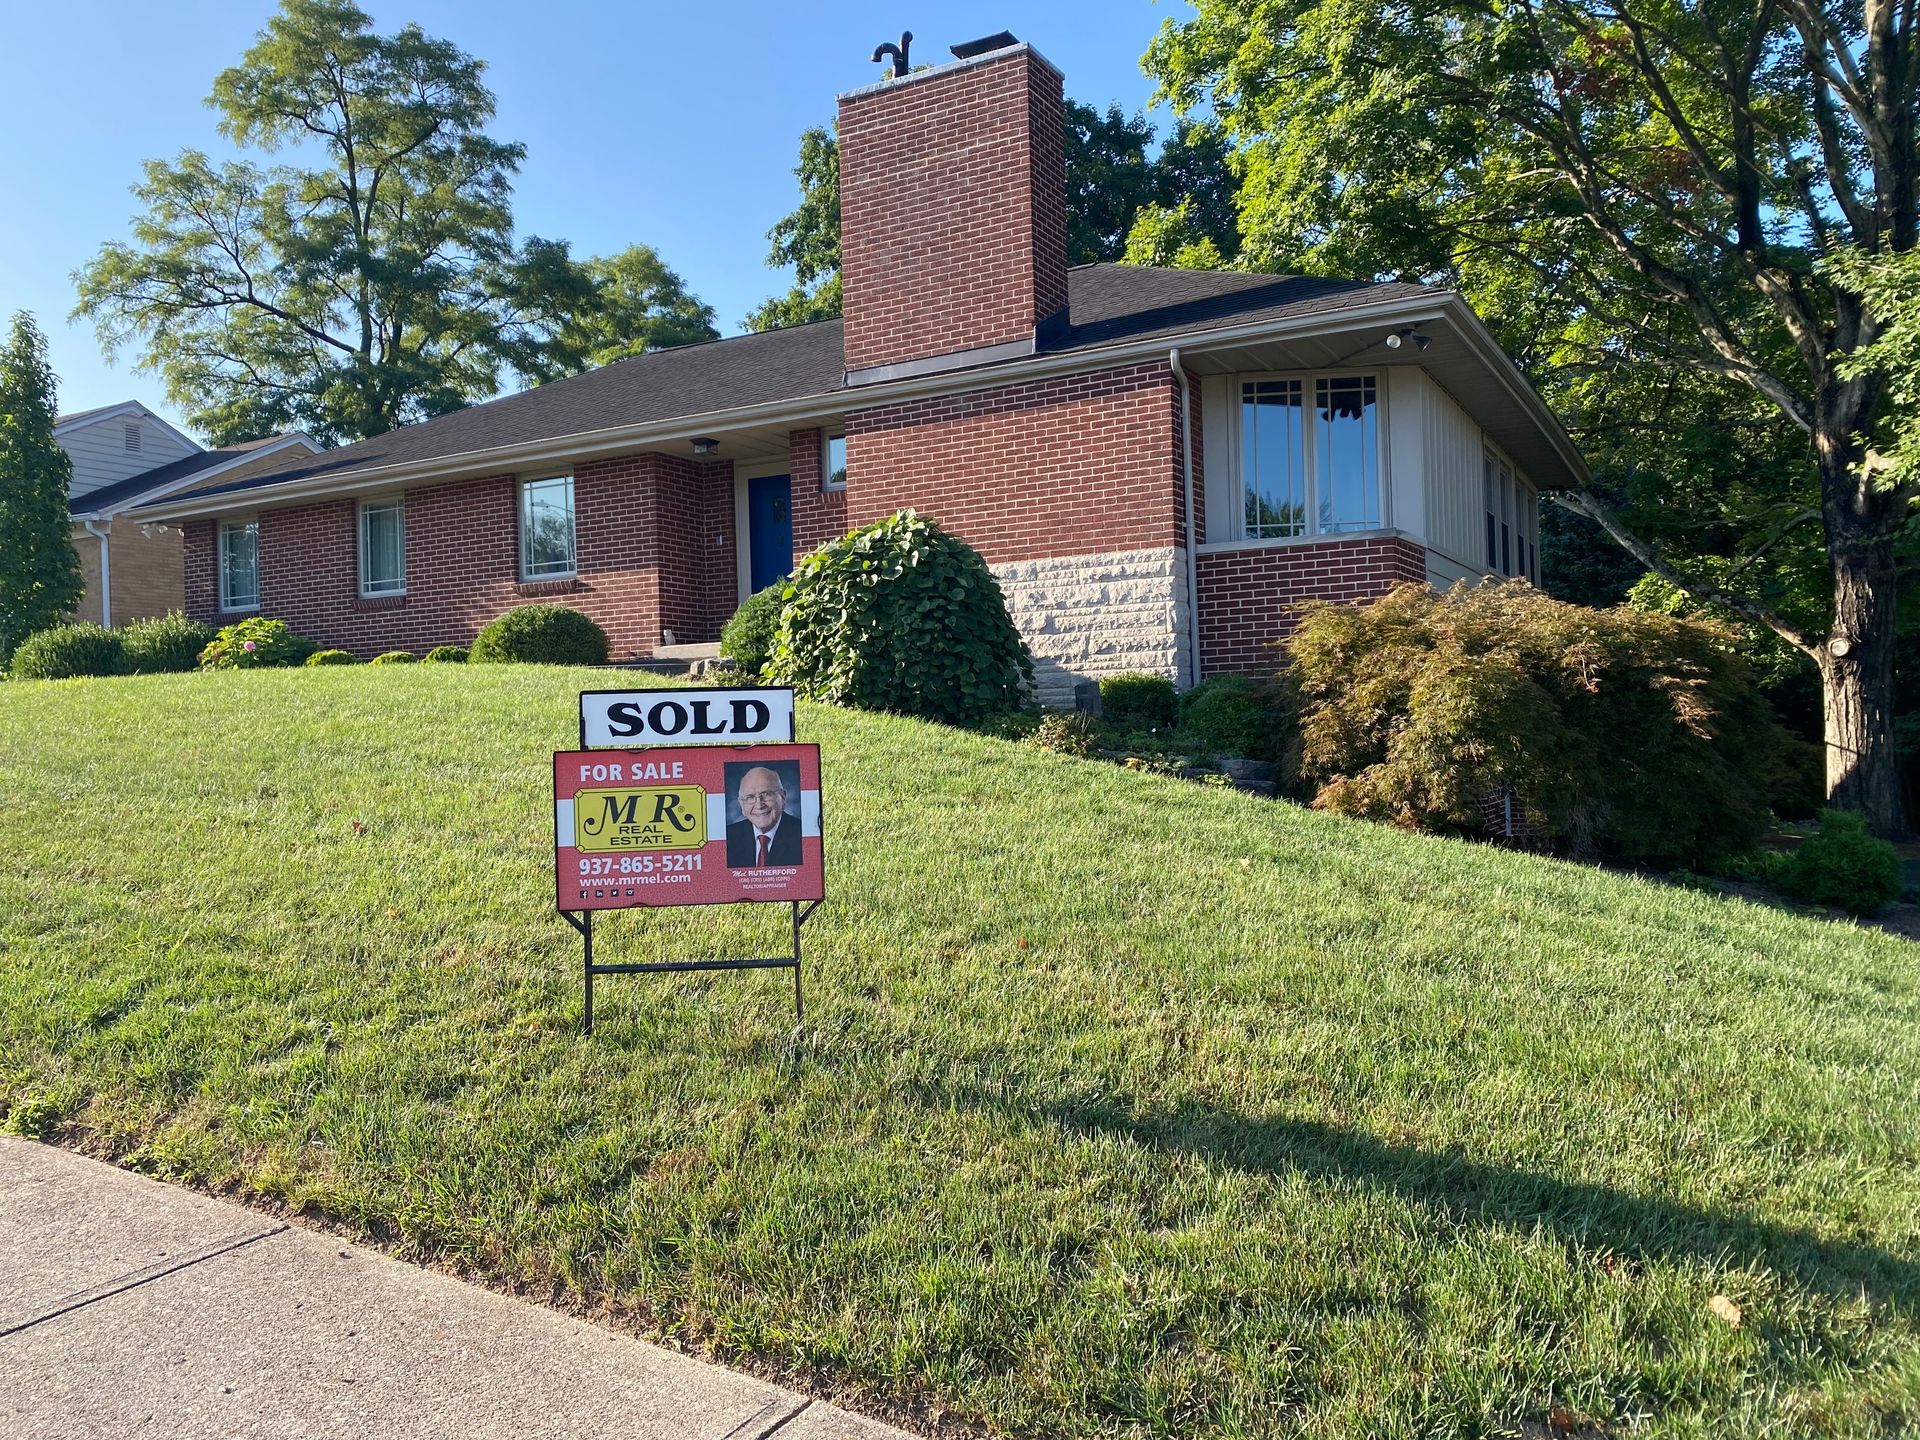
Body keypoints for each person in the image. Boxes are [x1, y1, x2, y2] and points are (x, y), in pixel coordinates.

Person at [727, 765, 800, 867]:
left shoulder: (803, 835)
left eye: (766, 794)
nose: (759, 805)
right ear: (741, 805)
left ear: (782, 798)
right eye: (750, 797)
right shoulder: (729, 837)